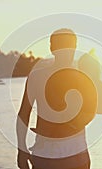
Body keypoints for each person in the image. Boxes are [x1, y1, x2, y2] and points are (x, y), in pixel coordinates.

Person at [16, 28, 97, 169]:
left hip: (76, 156)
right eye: (62, 46)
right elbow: (24, 114)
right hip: (45, 157)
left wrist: (68, 125)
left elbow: (91, 111)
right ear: (52, 48)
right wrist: (21, 149)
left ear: (75, 47)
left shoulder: (82, 76)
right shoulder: (37, 76)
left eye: (70, 46)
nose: (67, 51)